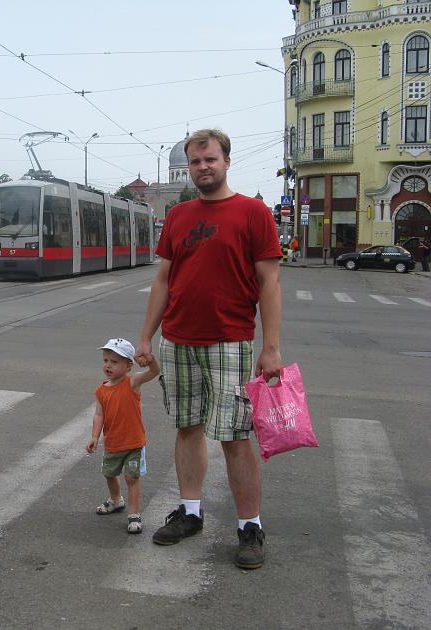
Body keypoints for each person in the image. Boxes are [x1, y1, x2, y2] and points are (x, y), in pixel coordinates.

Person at [135, 128, 283, 570]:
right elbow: (163, 280)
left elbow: (270, 283)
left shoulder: (254, 212)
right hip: (178, 339)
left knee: (235, 438)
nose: (202, 167)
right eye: (195, 161)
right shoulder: (179, 216)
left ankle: (249, 526)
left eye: (210, 160)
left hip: (231, 341)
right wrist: (146, 336)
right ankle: (191, 512)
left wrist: (270, 347)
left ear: (226, 161)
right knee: (187, 428)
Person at [87, 338, 160, 534]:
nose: (108, 365)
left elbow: (154, 372)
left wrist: (151, 360)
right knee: (109, 474)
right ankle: (116, 500)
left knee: (131, 478)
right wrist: (94, 436)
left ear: (128, 366)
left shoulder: (132, 382)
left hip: (134, 442)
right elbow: (99, 414)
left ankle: (134, 514)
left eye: (114, 362)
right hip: (112, 442)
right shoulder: (101, 390)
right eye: (106, 360)